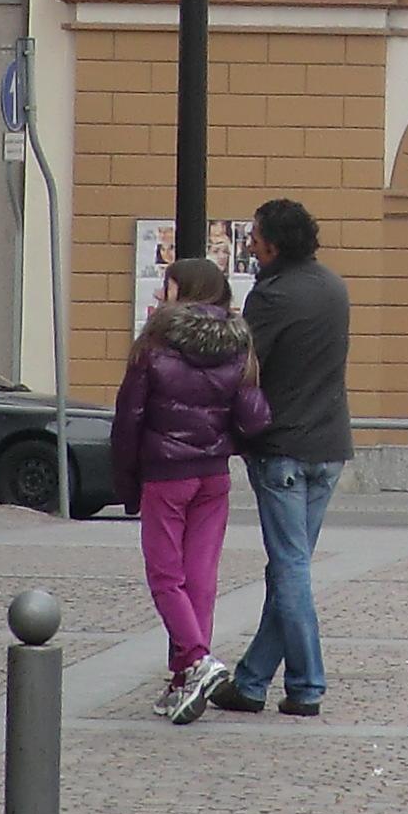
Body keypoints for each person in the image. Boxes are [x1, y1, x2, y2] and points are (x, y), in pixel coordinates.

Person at [112, 256, 270, 724]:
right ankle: (183, 681)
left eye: (168, 287)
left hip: (166, 474)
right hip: (213, 475)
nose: (160, 294)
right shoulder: (239, 344)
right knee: (200, 579)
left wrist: (127, 481)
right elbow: (253, 417)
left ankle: (198, 662)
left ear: (187, 292)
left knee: (166, 577)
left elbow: (129, 419)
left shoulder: (154, 344)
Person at [213, 198, 349, 718]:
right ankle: (251, 683)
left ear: (273, 245)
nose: (249, 245)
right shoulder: (334, 287)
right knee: (291, 567)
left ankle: (308, 684)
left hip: (282, 449)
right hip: (328, 446)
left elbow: (245, 365)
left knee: (290, 567)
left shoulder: (271, 296)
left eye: (254, 237)